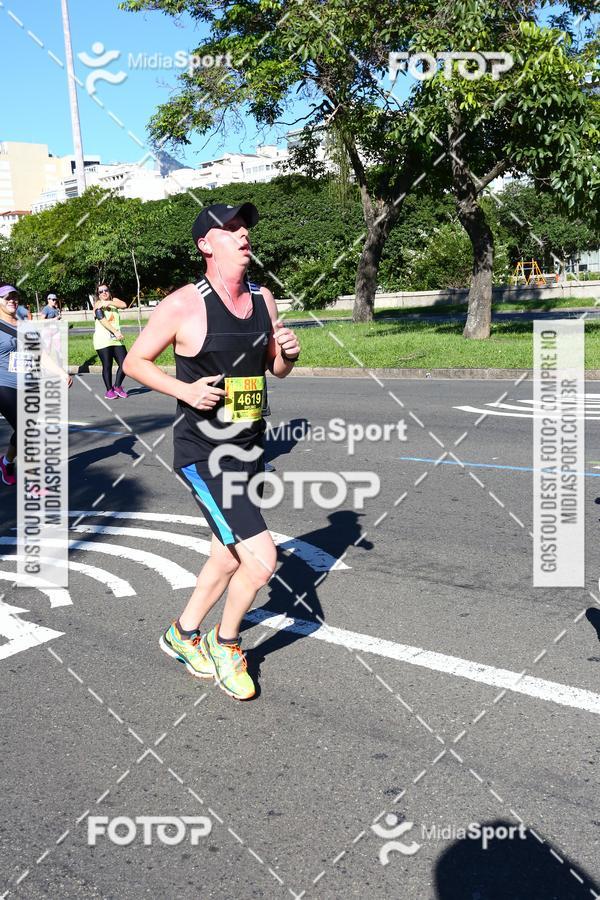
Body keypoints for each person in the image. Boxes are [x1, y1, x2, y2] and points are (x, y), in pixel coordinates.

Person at [123, 203, 300, 700]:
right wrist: (184, 390)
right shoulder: (184, 304)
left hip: (248, 446)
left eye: (246, 229)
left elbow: (275, 369)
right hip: (204, 452)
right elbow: (135, 362)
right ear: (206, 244)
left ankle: (181, 634)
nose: (243, 235)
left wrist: (287, 353)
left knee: (226, 555)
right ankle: (226, 645)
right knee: (261, 561)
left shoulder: (263, 299)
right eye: (231, 229)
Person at [0, 285, 71, 487]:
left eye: (15, 297)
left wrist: (61, 372)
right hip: (3, 384)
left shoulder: (25, 326)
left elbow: (40, 354)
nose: (12, 300)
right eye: (7, 297)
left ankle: (6, 462)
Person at [92, 284, 128, 400]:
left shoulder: (114, 301)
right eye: (100, 291)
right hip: (103, 340)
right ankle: (109, 391)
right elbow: (102, 319)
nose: (104, 293)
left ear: (109, 291)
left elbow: (124, 305)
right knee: (107, 365)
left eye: (106, 290)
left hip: (116, 340)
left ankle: (117, 387)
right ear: (98, 294)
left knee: (126, 364)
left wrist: (109, 303)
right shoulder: (98, 304)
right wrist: (115, 331)